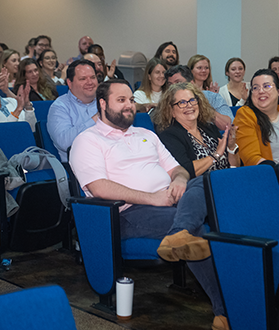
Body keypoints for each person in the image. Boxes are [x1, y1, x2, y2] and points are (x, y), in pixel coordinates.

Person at [69, 79, 227, 330]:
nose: (129, 105)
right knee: (201, 231)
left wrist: (178, 181)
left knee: (204, 183)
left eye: (131, 100)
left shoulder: (146, 134)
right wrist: (154, 198)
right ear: (102, 104)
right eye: (121, 100)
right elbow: (99, 188)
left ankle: (178, 233)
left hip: (173, 202)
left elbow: (179, 169)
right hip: (129, 213)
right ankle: (226, 312)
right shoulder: (87, 141)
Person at [155, 82, 240, 178]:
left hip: (226, 182)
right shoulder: (169, 135)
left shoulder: (209, 127)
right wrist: (215, 155)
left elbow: (234, 167)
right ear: (171, 111)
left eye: (192, 100)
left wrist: (231, 148)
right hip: (201, 188)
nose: (189, 105)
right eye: (182, 103)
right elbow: (185, 170)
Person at [47, 59, 99, 161]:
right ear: (69, 83)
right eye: (83, 79)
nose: (90, 82)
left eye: (93, 77)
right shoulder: (59, 107)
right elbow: (65, 143)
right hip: (78, 165)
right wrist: (97, 118)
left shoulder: (105, 102)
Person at [165, 65, 233, 131]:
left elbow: (229, 126)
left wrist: (204, 107)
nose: (173, 88)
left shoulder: (212, 97)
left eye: (178, 83)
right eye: (170, 85)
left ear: (191, 83)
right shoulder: (166, 103)